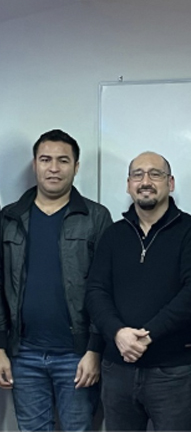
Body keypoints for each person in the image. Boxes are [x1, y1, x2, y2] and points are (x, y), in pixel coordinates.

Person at [86, 151, 191, 431]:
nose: (145, 181)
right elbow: (96, 291)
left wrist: (148, 335)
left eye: (155, 174)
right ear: (128, 185)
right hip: (117, 368)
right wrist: (118, 333)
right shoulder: (113, 235)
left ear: (170, 183)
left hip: (172, 372)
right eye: (138, 175)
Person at [0, 129, 111, 431]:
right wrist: (0, 347)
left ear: (76, 166)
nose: (53, 168)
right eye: (45, 159)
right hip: (23, 354)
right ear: (34, 164)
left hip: (77, 355)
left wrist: (94, 349)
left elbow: (106, 288)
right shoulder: (9, 218)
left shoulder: (96, 217)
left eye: (63, 160)